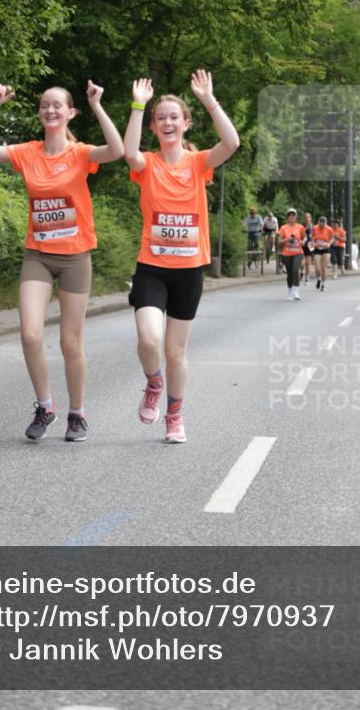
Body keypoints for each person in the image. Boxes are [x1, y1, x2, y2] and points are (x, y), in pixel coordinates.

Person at [0, 80, 124, 442]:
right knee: (30, 332)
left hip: (75, 257)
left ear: (70, 113)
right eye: (44, 105)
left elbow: (117, 150)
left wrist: (97, 106)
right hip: (38, 254)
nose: (50, 110)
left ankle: (77, 414)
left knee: (70, 342)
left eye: (57, 106)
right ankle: (45, 405)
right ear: (40, 113)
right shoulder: (28, 153)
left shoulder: (81, 153)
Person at [124, 70, 240, 443]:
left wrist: (208, 98)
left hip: (188, 271)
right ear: (155, 127)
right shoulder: (147, 164)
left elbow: (232, 142)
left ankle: (175, 416)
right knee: (148, 339)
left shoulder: (199, 164)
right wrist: (138, 106)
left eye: (174, 117)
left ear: (186, 124)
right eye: (162, 118)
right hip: (152, 268)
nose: (168, 122)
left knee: (175, 351)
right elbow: (127, 152)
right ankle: (153, 384)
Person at [278, 208, 306, 300]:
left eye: (293, 215)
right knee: (289, 273)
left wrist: (303, 242)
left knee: (295, 270)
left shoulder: (300, 227)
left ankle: (296, 292)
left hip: (298, 252)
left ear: (296, 217)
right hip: (286, 253)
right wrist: (288, 239)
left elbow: (304, 238)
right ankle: (290, 292)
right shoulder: (283, 228)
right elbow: (279, 242)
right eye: (289, 215)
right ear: (287, 217)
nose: (291, 216)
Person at [311, 215, 333, 291]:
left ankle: (323, 284)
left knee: (323, 268)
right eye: (321, 224)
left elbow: (332, 237)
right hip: (317, 248)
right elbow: (312, 237)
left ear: (326, 223)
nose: (322, 226)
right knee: (317, 268)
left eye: (324, 224)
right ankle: (319, 279)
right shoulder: (314, 228)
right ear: (318, 222)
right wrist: (313, 242)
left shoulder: (329, 229)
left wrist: (329, 243)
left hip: (326, 249)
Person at [301, 211, 314, 284]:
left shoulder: (313, 227)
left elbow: (316, 236)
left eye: (308, 217)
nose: (307, 219)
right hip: (302, 245)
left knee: (308, 262)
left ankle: (307, 278)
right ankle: (302, 272)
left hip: (309, 245)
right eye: (305, 217)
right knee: (301, 262)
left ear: (310, 218)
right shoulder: (301, 226)